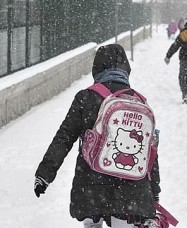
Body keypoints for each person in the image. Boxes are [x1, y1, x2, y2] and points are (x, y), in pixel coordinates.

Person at [34, 44, 161, 227]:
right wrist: (153, 190)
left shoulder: (85, 98)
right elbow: (150, 153)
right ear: (126, 69)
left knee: (92, 223)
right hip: (131, 190)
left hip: (91, 185)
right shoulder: (139, 102)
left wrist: (45, 174)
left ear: (97, 68)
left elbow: (64, 137)